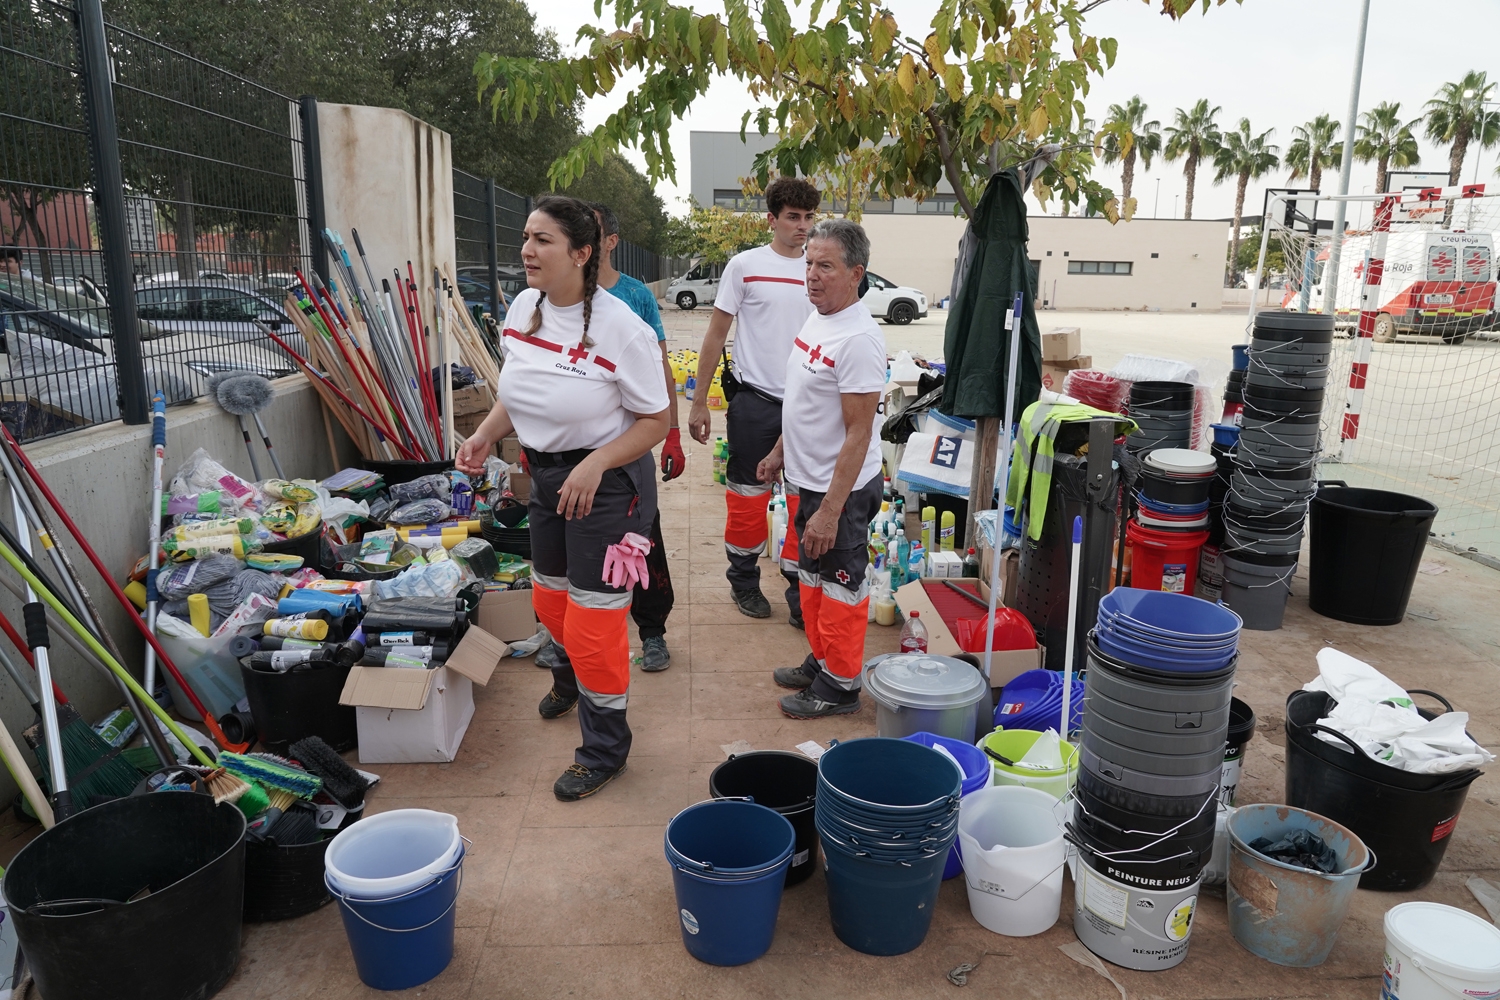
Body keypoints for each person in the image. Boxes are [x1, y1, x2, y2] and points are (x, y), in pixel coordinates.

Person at [456, 195, 670, 801]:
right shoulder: (524, 306)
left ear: (582, 253)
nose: (527, 250)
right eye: (526, 236)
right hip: (546, 480)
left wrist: (597, 462)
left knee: (597, 622)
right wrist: (483, 433)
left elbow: (654, 419)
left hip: (607, 489)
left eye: (543, 240)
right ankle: (569, 675)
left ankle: (603, 749)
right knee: (551, 603)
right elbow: (516, 393)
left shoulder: (622, 329)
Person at [759, 218, 886, 719]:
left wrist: (831, 510)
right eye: (809, 263)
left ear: (856, 273)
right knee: (809, 578)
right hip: (808, 480)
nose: (811, 274)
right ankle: (823, 659)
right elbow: (805, 404)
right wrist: (779, 451)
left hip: (843, 491)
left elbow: (858, 432)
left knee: (839, 586)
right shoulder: (819, 319)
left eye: (825, 266)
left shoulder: (858, 339)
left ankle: (841, 686)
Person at [687, 177, 819, 625]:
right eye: (793, 217)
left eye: (808, 218)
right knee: (747, 500)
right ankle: (743, 582)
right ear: (772, 219)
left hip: (807, 409)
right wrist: (699, 401)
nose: (802, 227)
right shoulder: (744, 266)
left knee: (806, 503)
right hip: (755, 404)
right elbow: (715, 335)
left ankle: (801, 593)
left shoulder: (818, 269)